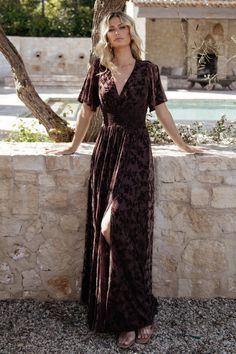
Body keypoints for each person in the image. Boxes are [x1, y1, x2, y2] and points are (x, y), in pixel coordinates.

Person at [46, 11, 203, 349]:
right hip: (106, 153)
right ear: (106, 37)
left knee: (114, 227)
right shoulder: (97, 72)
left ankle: (138, 310)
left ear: (132, 32)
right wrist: (73, 147)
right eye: (111, 29)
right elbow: (86, 112)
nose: (117, 32)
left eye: (122, 27)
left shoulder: (148, 71)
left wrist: (184, 145)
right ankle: (129, 318)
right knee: (116, 235)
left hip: (134, 150)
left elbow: (161, 110)